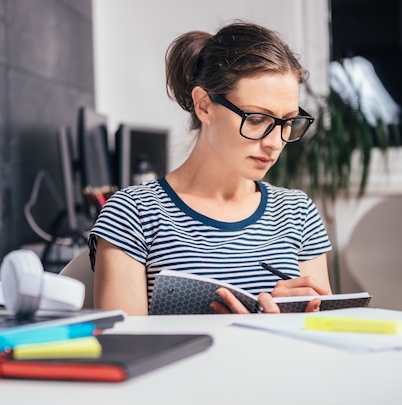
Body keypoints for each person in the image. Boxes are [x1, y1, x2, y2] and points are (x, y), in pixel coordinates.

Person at [88, 20, 332, 315]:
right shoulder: (133, 213)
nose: (275, 142)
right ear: (204, 105)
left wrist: (300, 320)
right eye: (256, 119)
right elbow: (123, 347)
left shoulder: (298, 212)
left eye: (288, 122)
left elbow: (320, 341)